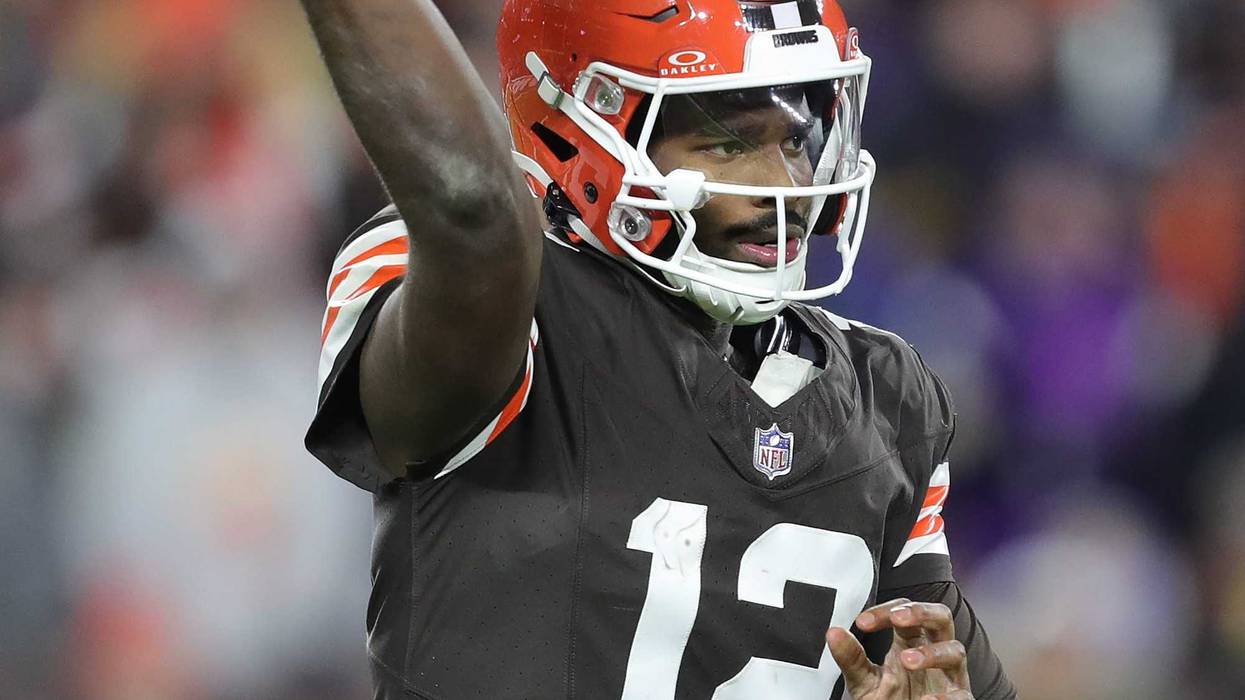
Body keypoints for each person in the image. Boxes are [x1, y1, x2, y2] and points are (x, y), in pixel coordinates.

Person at [300, 1, 1016, 698]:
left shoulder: (886, 394)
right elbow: (471, 212)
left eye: (796, 141)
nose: (785, 186)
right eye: (727, 143)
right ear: (578, 130)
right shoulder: (515, 306)